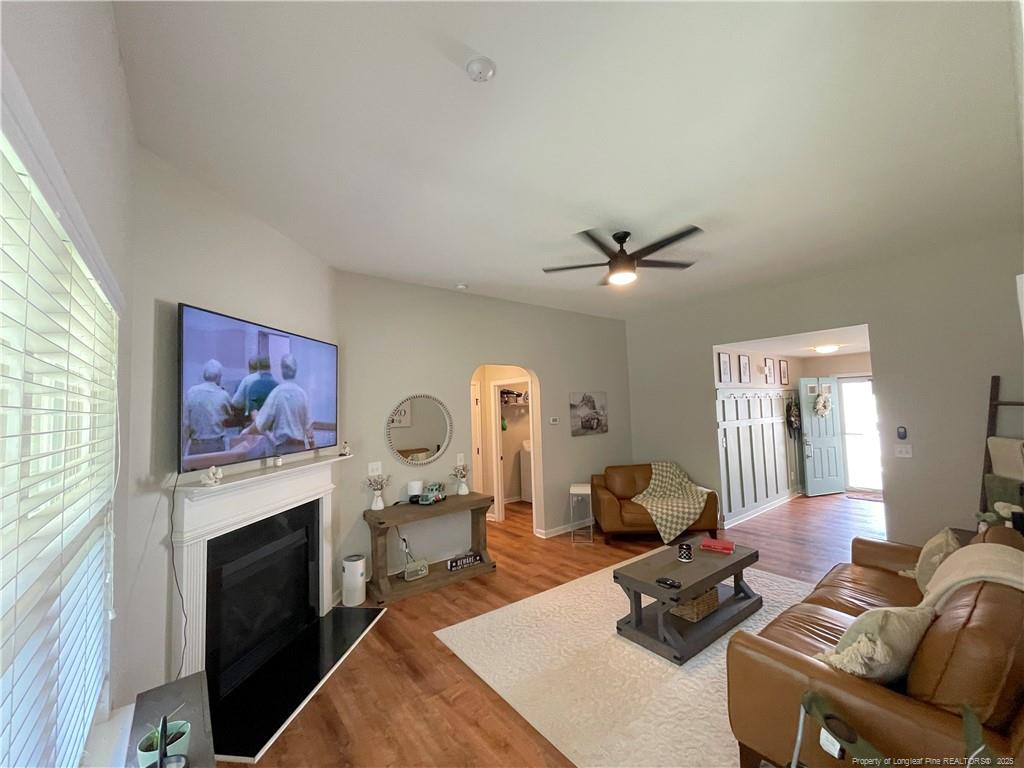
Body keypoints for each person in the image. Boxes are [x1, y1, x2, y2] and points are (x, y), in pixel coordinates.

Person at [244, 353, 314, 452]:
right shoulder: (303, 394)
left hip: (283, 449)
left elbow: (260, 424)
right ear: (296, 370)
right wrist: (313, 452)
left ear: (282, 370)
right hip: (301, 449)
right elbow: (309, 430)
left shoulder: (277, 393)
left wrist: (245, 432)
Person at [184, 359, 232, 455]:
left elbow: (185, 423)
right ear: (219, 377)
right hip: (217, 446)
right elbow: (230, 417)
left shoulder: (191, 392)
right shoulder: (223, 395)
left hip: (195, 445)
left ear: (204, 375)